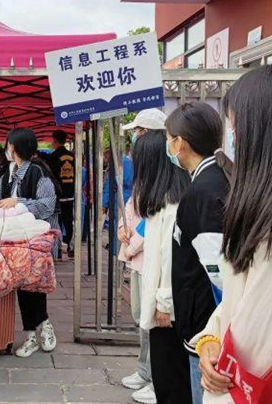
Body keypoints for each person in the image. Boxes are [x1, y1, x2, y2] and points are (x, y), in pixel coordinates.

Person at [195, 65, 272, 404]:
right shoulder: (268, 202)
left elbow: (261, 332)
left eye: (236, 127)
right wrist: (210, 339)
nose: (234, 138)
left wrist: (221, 370)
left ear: (267, 131)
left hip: (268, 386)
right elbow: (238, 298)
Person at [165, 102, 230, 404]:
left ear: (180, 143)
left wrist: (215, 327)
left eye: (169, 139)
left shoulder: (203, 192)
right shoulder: (213, 179)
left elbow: (220, 272)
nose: (168, 146)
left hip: (207, 329)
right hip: (205, 320)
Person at [0, 128, 60, 358]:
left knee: (33, 284)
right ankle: (32, 334)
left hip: (36, 241)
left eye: (8, 145)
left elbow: (47, 205)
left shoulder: (38, 172)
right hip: (15, 240)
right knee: (21, 285)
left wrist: (18, 202)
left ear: (13, 147)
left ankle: (43, 325)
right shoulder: (8, 174)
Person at [129, 130, 191, 404]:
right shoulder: (161, 201)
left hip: (168, 307)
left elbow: (170, 258)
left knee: (170, 376)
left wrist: (164, 303)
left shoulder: (173, 205)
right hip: (161, 301)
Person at [118, 109, 168, 403]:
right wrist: (122, 229)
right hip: (137, 259)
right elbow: (131, 208)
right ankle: (144, 370)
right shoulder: (144, 174)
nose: (134, 139)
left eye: (137, 133)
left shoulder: (167, 177)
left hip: (151, 259)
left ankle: (157, 376)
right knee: (140, 317)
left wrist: (133, 243)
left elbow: (154, 222)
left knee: (153, 319)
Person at [47, 130, 76, 259]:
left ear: (55, 140)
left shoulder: (53, 156)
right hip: (70, 193)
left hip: (57, 195)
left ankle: (58, 249)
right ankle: (69, 247)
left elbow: (50, 176)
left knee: (56, 222)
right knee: (69, 221)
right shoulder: (73, 156)